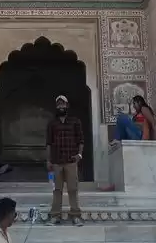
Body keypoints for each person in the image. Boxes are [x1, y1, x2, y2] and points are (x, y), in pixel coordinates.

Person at [45, 94, 85, 226]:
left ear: (67, 106)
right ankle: (55, 216)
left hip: (71, 161)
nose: (60, 106)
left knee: (73, 189)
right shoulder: (52, 124)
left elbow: (81, 140)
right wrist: (48, 160)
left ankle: (75, 216)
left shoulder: (75, 121)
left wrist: (79, 155)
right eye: (58, 104)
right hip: (56, 162)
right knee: (57, 190)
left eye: (63, 104)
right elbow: (49, 143)